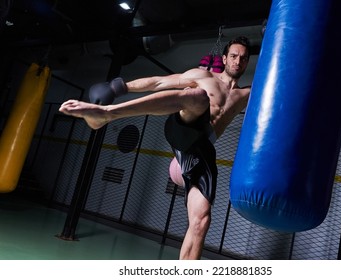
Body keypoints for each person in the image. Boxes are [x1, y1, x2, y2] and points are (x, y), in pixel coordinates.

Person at [59, 36, 252, 259]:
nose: (238, 62)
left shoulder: (247, 94)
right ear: (225, 58)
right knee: (198, 97)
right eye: (234, 56)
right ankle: (107, 114)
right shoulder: (204, 76)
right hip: (183, 128)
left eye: (244, 58)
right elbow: (158, 82)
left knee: (201, 220)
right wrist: (118, 87)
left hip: (201, 148)